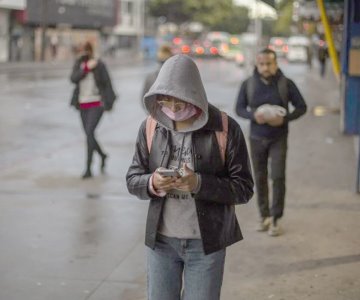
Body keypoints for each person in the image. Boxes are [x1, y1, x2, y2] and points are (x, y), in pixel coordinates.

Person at [126, 54, 253, 300]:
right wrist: (152, 182)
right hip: (161, 243)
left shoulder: (225, 128)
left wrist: (199, 183)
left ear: (194, 95)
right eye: (166, 102)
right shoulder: (151, 126)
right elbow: (133, 178)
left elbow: (244, 188)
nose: (172, 110)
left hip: (205, 245)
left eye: (179, 103)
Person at [235, 48, 307, 236]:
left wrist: (284, 119)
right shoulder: (248, 84)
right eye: (262, 64)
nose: (266, 67)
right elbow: (239, 108)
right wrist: (253, 116)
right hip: (256, 138)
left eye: (269, 63)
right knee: (259, 177)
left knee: (277, 176)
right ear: (257, 65)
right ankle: (264, 215)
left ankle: (276, 218)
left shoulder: (286, 84)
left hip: (279, 138)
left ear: (276, 64)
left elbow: (302, 107)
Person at [70, 41, 116, 179]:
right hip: (82, 105)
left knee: (89, 132)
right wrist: (85, 69)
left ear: (90, 51)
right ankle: (103, 155)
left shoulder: (99, 65)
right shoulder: (79, 64)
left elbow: (107, 84)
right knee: (89, 135)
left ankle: (88, 168)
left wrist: (109, 103)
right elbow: (73, 79)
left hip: (97, 104)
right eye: (81, 51)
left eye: (86, 50)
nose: (83, 53)